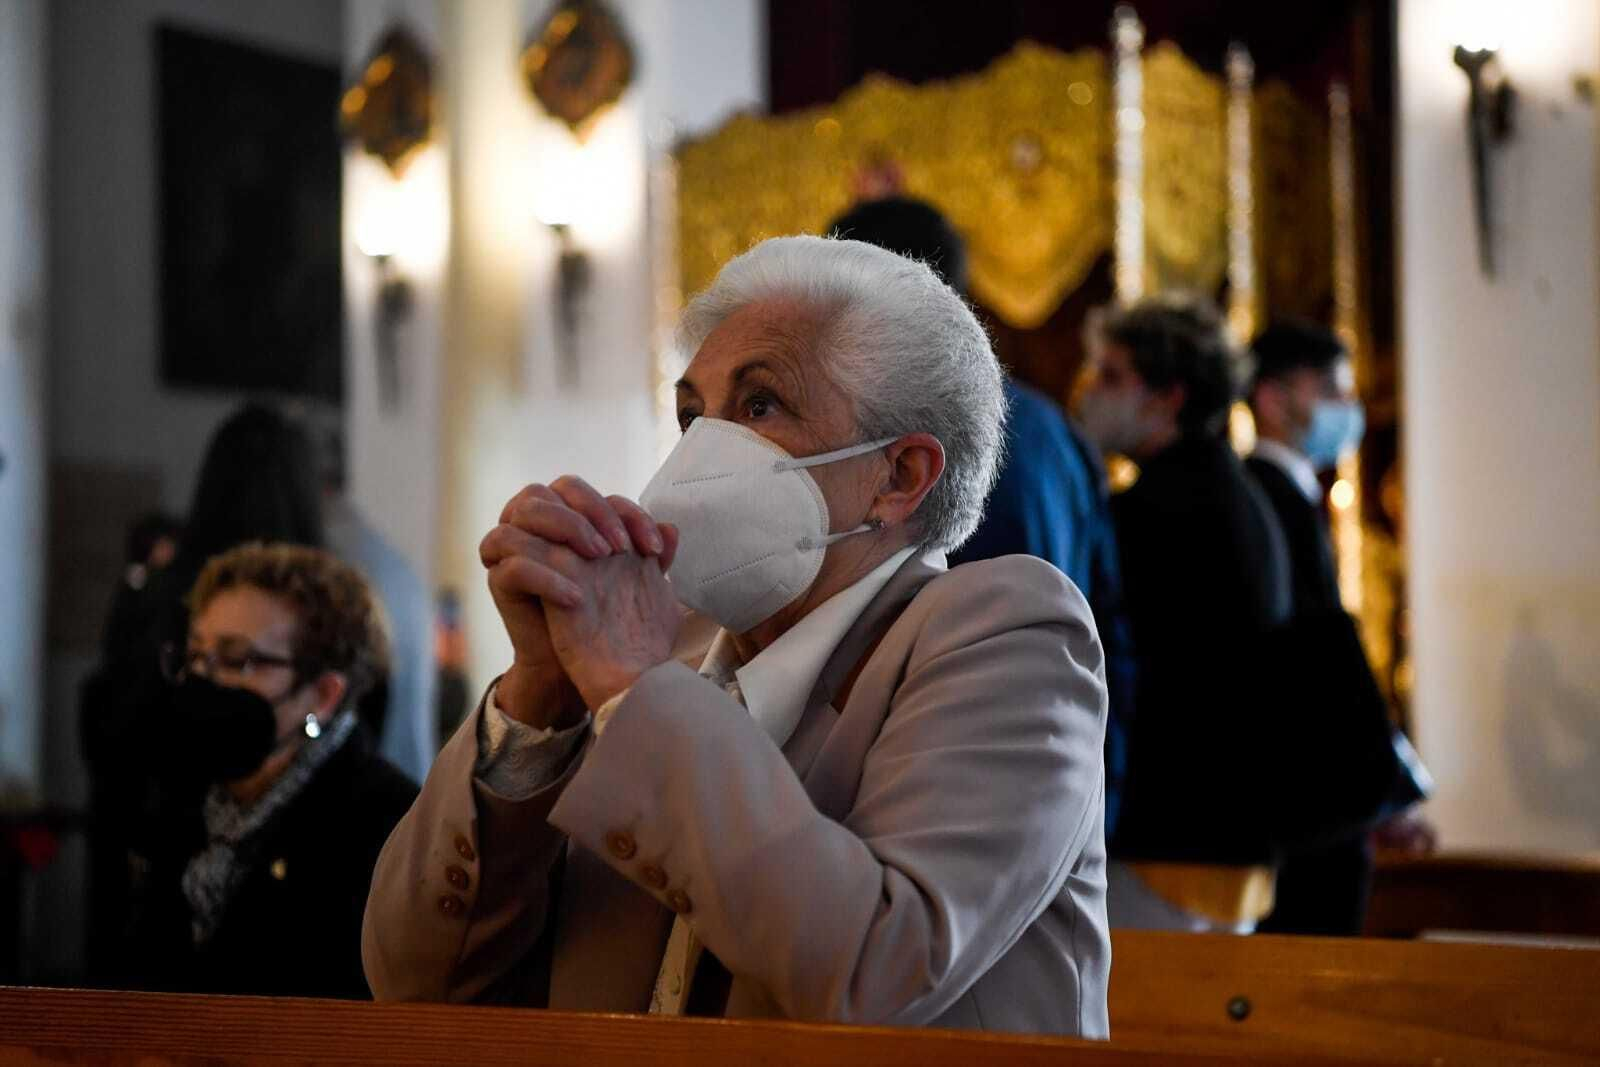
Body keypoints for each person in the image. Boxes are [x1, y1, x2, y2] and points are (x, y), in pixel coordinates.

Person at [364, 236, 1111, 1036]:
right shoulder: (666, 652)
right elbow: (418, 982)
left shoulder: (1005, 631)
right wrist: (537, 701)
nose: (704, 452)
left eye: (759, 406)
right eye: (693, 415)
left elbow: (876, 966)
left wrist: (633, 689)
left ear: (899, 477)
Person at [827, 196, 1136, 837]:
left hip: (949, 777)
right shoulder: (1054, 424)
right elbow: (1111, 615)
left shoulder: (903, 444)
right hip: (1066, 766)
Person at [1076, 296, 1291, 933]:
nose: (1092, 392)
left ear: (1169, 395)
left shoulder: (1153, 511)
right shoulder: (1239, 493)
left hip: (1166, 839)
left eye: (1113, 375)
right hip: (1231, 836)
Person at [122, 542, 417, 998]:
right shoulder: (177, 795)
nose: (205, 680)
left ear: (324, 694)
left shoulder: (389, 824)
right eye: (197, 656)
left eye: (238, 660)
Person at [1245, 318, 1372, 935]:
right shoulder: (1264, 496)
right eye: (1330, 391)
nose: (1347, 410)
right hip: (1300, 806)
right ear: (1271, 398)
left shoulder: (1293, 493)